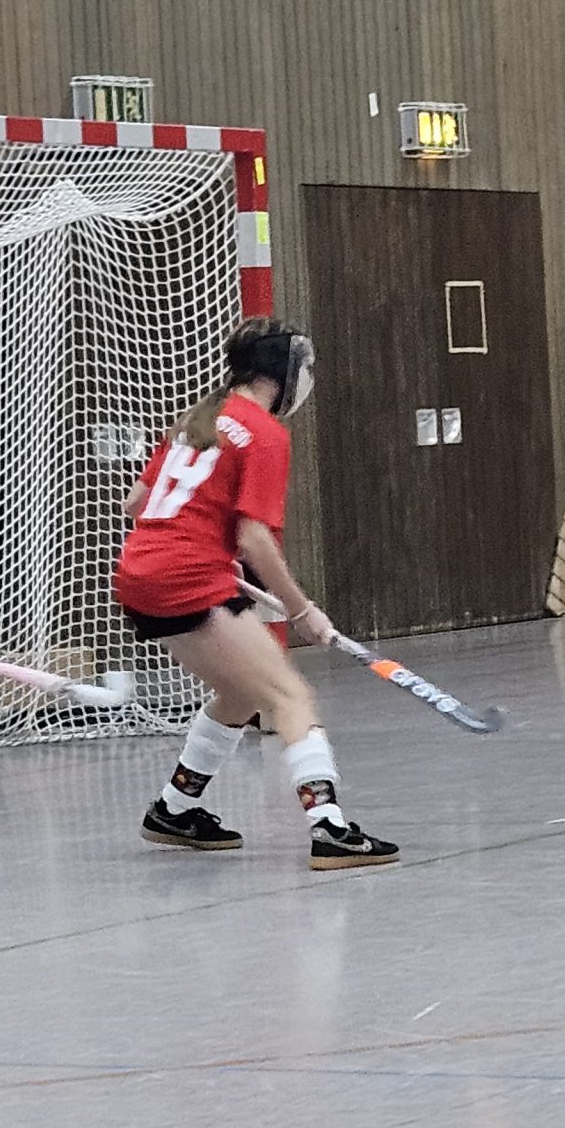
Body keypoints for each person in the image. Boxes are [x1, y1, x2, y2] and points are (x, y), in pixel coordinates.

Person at [113, 319, 397, 870]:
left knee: (242, 693)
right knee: (290, 696)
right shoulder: (263, 434)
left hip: (139, 574)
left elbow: (135, 504)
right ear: (283, 373)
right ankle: (329, 828)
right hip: (187, 578)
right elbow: (253, 538)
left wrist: (200, 542)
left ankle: (174, 809)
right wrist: (301, 609)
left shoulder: (196, 419)